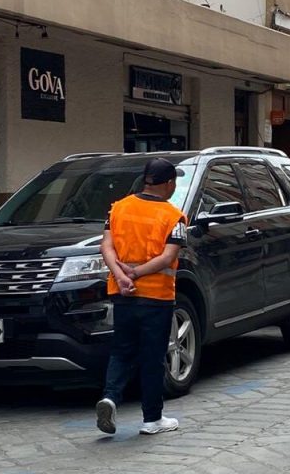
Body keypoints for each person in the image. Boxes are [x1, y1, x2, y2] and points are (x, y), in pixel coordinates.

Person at [96, 158, 187, 436]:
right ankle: (152, 419)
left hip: (122, 293)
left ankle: (110, 398)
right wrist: (135, 275)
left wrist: (122, 276)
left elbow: (106, 247)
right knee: (152, 356)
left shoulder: (118, 208)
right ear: (169, 183)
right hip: (156, 297)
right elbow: (167, 257)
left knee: (122, 350)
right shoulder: (174, 217)